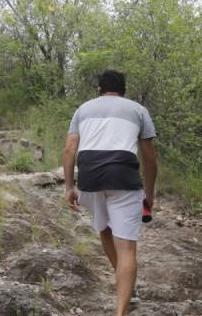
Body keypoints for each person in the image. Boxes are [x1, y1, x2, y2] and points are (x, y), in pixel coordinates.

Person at [62, 70, 157, 316]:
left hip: (90, 176)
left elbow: (69, 149)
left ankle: (128, 287)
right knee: (126, 247)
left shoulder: (82, 109)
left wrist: (69, 187)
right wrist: (149, 192)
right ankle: (120, 312)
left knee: (104, 228)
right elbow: (149, 156)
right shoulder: (138, 110)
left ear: (99, 89)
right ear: (124, 90)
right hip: (123, 175)